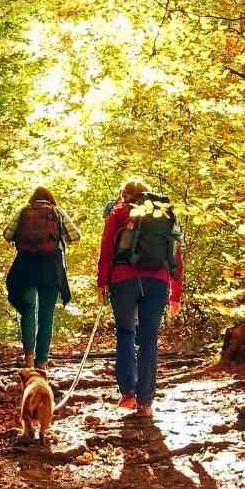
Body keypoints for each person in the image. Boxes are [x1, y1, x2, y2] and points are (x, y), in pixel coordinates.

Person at [97, 178, 184, 417]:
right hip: (157, 281)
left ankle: (128, 394)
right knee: (149, 339)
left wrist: (102, 282)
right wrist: (175, 293)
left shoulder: (119, 213)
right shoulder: (164, 215)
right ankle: (145, 402)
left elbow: (106, 249)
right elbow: (176, 254)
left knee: (126, 334)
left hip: (123, 280)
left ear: (124, 194)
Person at [5, 186, 79, 370]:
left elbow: (7, 234)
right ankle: (42, 362)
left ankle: (28, 359)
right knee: (47, 316)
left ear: (33, 198)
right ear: (50, 199)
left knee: (28, 310)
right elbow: (75, 236)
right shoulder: (57, 212)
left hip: (26, 266)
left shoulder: (23, 211)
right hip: (51, 267)